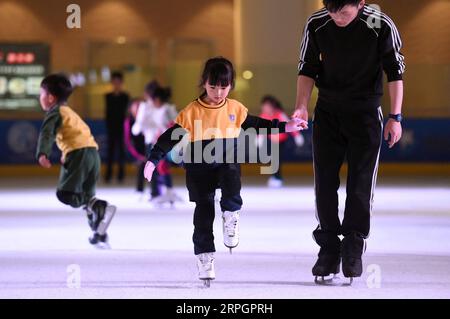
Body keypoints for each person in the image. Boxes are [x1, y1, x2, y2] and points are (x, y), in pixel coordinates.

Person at [143, 57, 307, 286]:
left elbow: (258, 124)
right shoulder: (191, 111)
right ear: (204, 83)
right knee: (203, 212)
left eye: (224, 86)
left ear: (231, 85)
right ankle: (205, 257)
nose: (218, 92)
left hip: (226, 161)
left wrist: (287, 126)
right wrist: (152, 160)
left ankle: (231, 213)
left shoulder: (235, 108)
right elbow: (168, 138)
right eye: (212, 86)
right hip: (198, 167)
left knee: (231, 174)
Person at [293, 0, 405, 282]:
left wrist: (396, 116)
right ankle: (329, 248)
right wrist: (302, 106)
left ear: (361, 4)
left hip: (366, 114)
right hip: (328, 113)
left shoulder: (380, 24)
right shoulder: (317, 23)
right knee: (324, 184)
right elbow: (307, 68)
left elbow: (395, 70)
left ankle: (353, 246)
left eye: (344, 12)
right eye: (332, 11)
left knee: (360, 184)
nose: (337, 17)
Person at [36, 74, 116, 248]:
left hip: (78, 155)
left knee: (65, 194)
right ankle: (99, 232)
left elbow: (47, 133)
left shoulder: (55, 112)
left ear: (50, 98)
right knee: (87, 197)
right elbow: (80, 133)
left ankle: (97, 206)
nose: (39, 98)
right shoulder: (70, 112)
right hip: (93, 155)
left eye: (40, 94)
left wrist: (43, 153)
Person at [132, 82, 179, 203]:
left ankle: (165, 191)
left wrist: (163, 130)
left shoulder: (166, 108)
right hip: (152, 142)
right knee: (155, 167)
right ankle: (158, 192)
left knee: (161, 166)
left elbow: (175, 125)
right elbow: (138, 128)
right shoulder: (145, 107)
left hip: (164, 143)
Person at [258, 95, 305, 188]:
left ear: (272, 106)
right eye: (263, 106)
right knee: (272, 159)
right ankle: (275, 176)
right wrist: (259, 138)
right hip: (272, 141)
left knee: (276, 159)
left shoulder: (279, 114)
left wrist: (297, 136)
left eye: (266, 106)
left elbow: (290, 125)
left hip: (282, 141)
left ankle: (277, 177)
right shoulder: (263, 116)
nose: (264, 108)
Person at [104, 71, 130, 183]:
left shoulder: (125, 96)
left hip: (122, 128)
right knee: (110, 151)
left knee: (121, 152)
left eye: (118, 82)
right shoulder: (107, 96)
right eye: (114, 82)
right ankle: (108, 174)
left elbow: (126, 113)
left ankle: (121, 175)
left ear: (121, 83)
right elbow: (107, 113)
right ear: (112, 83)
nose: (116, 84)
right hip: (111, 128)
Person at [124, 98, 148, 197]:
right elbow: (128, 142)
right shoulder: (128, 122)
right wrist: (139, 156)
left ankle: (158, 190)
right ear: (130, 109)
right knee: (142, 162)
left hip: (147, 150)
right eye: (136, 106)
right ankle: (140, 189)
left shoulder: (146, 120)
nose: (138, 108)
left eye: (140, 106)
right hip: (134, 152)